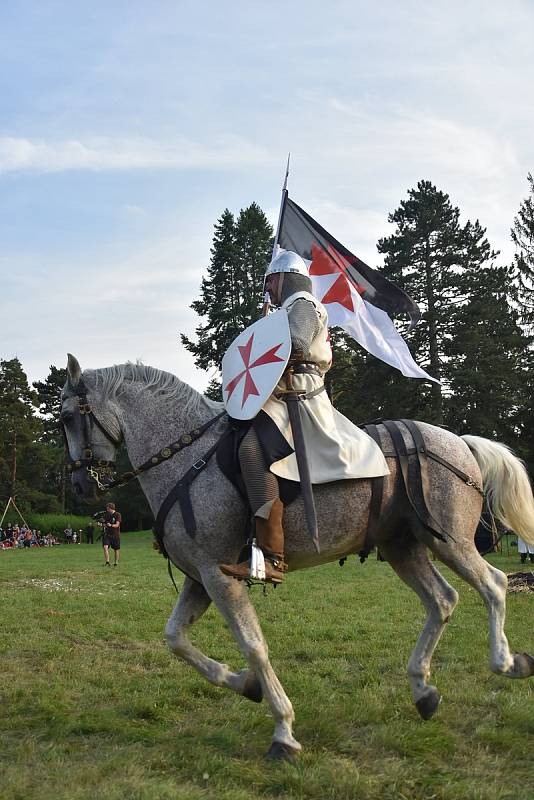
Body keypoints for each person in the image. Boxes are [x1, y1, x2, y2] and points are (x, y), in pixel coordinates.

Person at [220, 250, 388, 584]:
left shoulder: (303, 304)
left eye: (269, 282)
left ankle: (271, 556)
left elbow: (296, 344)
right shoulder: (289, 308)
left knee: (251, 450)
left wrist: (270, 333)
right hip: (282, 395)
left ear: (282, 278)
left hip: (300, 396)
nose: (267, 289)